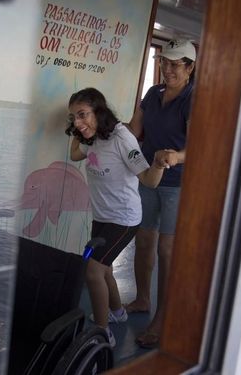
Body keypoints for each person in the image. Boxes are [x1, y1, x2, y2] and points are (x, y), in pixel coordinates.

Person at [65, 87, 172, 348]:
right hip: (102, 217)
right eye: (74, 118)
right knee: (106, 268)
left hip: (123, 220)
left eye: (83, 115)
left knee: (92, 270)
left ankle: (102, 334)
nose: (79, 122)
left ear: (99, 112)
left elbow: (148, 179)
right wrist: (79, 132)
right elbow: (75, 154)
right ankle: (117, 312)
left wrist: (158, 164)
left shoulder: (122, 138)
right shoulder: (93, 137)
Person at [125, 39, 196, 348]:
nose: (167, 69)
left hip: (177, 183)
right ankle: (142, 299)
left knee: (166, 251)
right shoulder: (153, 93)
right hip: (149, 177)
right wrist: (104, 135)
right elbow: (134, 131)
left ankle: (162, 317)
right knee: (143, 241)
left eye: (175, 64)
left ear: (190, 68)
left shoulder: (193, 98)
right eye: (164, 62)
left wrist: (176, 157)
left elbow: (198, 146)